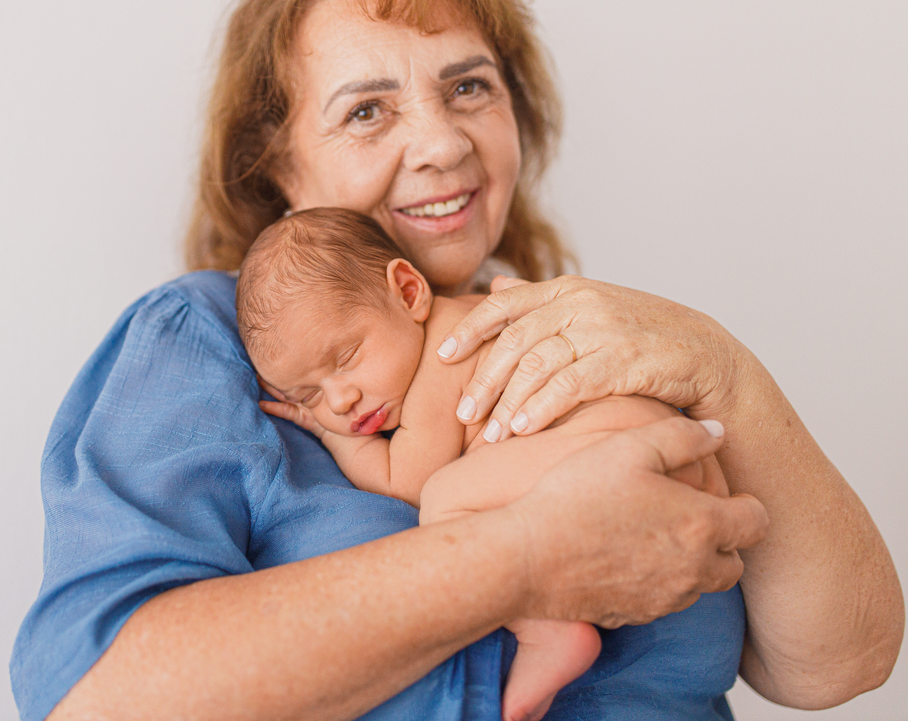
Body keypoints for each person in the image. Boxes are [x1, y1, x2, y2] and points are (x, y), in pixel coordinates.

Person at [10, 0, 903, 720]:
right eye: (367, 110)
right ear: (276, 166)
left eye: (469, 87)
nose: (441, 145)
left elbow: (839, 667)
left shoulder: (601, 334)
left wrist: (726, 374)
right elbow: (97, 700)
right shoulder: (201, 342)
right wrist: (523, 560)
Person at [235, 207, 734, 721]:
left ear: (408, 292)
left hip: (610, 447)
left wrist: (326, 435)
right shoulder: (472, 314)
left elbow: (403, 482)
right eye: (308, 393)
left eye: (345, 358)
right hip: (668, 445)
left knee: (443, 499)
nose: (339, 400)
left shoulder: (443, 356)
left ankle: (548, 632)